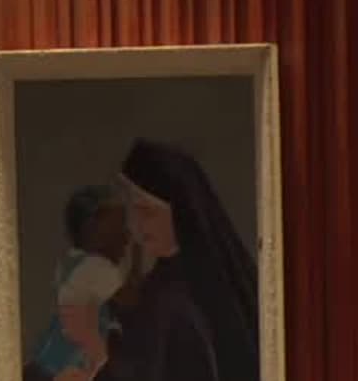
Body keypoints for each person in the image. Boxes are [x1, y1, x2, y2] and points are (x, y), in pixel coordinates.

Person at [63, 139, 260, 381]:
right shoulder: (155, 285)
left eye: (147, 212)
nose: (137, 225)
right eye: (133, 210)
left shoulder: (194, 296)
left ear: (181, 212)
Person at [25, 185, 132, 380]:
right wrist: (140, 261)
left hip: (49, 359)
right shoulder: (100, 268)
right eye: (118, 228)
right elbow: (131, 305)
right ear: (91, 230)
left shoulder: (71, 262)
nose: (127, 237)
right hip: (70, 364)